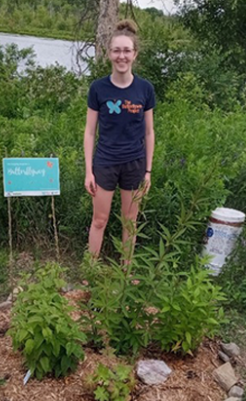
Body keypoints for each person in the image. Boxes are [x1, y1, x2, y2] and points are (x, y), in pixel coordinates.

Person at [84, 19, 155, 260]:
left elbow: (149, 133)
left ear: (135, 54)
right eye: (116, 50)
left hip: (134, 163)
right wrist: (88, 172)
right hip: (105, 163)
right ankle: (90, 270)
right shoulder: (98, 88)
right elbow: (89, 132)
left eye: (126, 50)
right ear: (109, 53)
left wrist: (148, 171)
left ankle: (125, 271)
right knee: (99, 220)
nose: (121, 56)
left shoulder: (145, 90)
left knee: (129, 221)